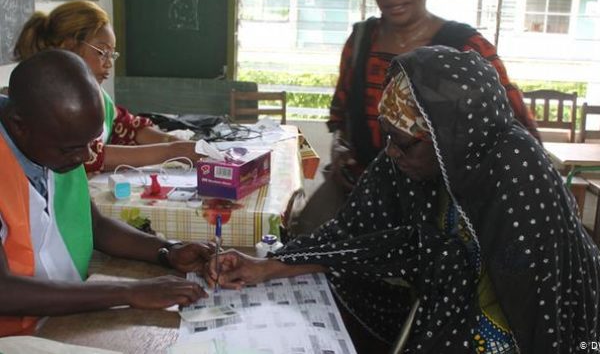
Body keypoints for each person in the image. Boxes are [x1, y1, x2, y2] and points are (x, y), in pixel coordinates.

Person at [209, 46, 599, 353]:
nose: (391, 153)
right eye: (388, 136)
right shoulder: (412, 152)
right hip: (453, 309)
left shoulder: (518, 174)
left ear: (448, 138)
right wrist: (269, 265)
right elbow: (352, 234)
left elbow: (545, 314)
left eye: (403, 142)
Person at [290, 0, 540, 235]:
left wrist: (441, 159)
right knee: (302, 239)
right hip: (358, 201)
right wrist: (339, 145)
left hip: (436, 221)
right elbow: (340, 112)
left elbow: (516, 139)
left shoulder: (466, 50)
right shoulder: (360, 42)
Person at [0, 50, 212, 336]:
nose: (87, 156)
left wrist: (168, 252)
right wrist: (128, 292)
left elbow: (95, 225)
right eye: (72, 148)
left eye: (90, 142)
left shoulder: (55, 142)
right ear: (19, 126)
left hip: (61, 316)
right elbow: (4, 291)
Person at [12, 0, 201, 174]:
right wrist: (169, 152)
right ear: (69, 47)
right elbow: (91, 157)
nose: (109, 63)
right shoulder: (47, 104)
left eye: (112, 55)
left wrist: (172, 142)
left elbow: (128, 127)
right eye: (102, 52)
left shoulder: (99, 98)